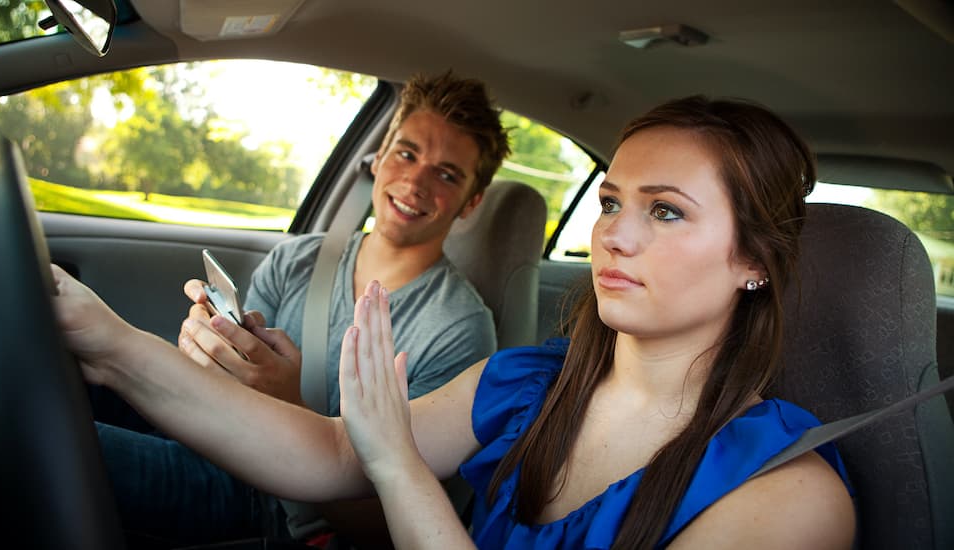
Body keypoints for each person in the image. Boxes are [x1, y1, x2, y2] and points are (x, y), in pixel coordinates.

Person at [54, 95, 856, 549]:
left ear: (754, 259)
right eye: (611, 201)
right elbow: (337, 452)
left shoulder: (788, 496)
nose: (614, 231)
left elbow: (376, 460)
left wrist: (399, 466)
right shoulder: (532, 380)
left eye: (667, 212)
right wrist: (114, 345)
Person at [91, 70, 510, 547]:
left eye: (446, 174)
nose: (414, 181)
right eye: (407, 153)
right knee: (56, 380)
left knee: (40, 447)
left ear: (471, 202)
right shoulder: (299, 258)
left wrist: (289, 402)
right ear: (380, 158)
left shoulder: (458, 328)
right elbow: (226, 387)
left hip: (277, 508)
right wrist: (207, 350)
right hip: (209, 431)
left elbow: (389, 517)